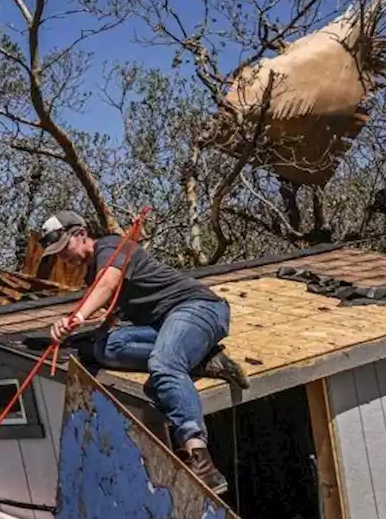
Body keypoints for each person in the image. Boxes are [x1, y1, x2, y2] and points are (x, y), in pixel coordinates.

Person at [40, 211, 247, 495]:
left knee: (163, 364)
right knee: (106, 348)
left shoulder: (112, 247)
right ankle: (203, 359)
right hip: (164, 325)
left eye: (65, 248)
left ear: (81, 233)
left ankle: (201, 460)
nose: (64, 257)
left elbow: (107, 284)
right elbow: (110, 318)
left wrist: (74, 317)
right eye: (58, 254)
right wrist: (69, 334)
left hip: (199, 308)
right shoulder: (94, 274)